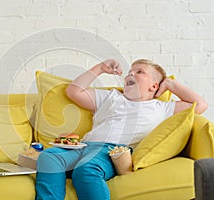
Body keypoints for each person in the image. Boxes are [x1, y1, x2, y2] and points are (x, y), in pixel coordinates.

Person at [35, 59, 208, 200]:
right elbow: (74, 91)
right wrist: (100, 68)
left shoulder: (161, 108)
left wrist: (170, 84)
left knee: (86, 169)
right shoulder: (111, 96)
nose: (131, 73)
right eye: (130, 71)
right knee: (49, 157)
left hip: (112, 152)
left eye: (139, 72)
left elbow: (200, 105)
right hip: (84, 146)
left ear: (154, 86)